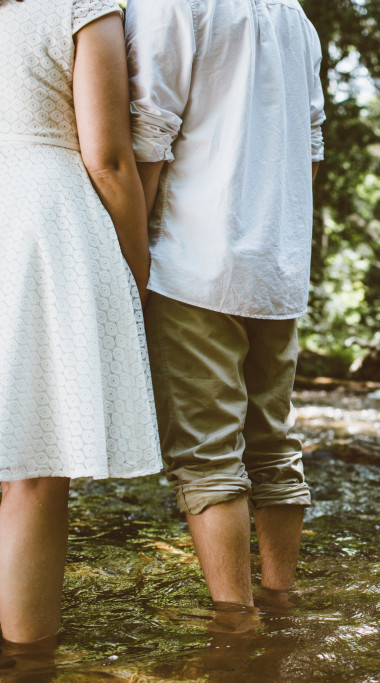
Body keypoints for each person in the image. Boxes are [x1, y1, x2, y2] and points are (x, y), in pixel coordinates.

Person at [0, 0, 161, 645]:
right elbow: (107, 157)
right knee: (35, 469)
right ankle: (29, 667)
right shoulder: (81, 8)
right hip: (49, 226)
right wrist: (135, 268)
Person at [125, 0, 324, 608]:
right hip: (277, 268)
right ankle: (281, 605)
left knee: (209, 455)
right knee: (273, 443)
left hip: (193, 263)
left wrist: (130, 257)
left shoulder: (171, 6)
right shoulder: (296, 17)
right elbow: (311, 146)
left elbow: (147, 140)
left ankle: (235, 631)